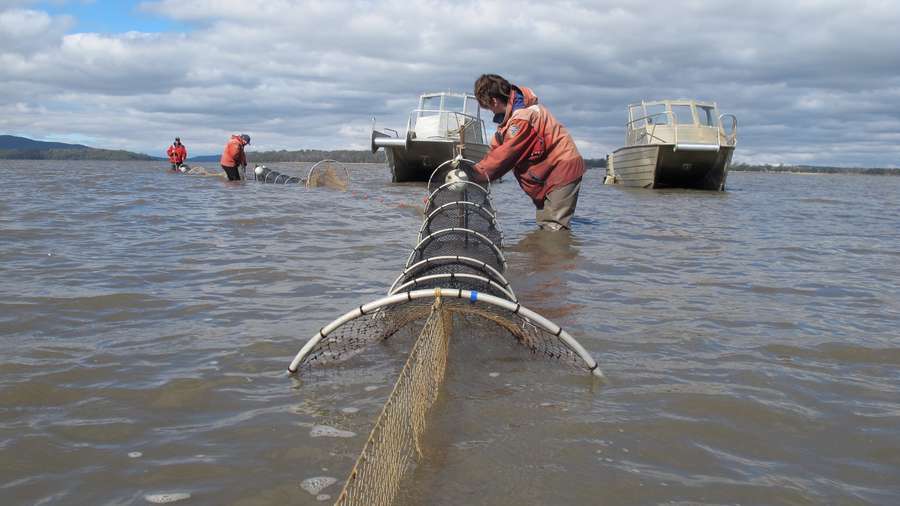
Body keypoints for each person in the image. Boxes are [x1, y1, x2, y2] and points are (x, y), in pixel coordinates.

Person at [469, 74, 585, 230]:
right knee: (545, 222)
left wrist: (475, 174)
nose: (490, 111)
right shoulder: (510, 120)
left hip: (561, 169)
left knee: (553, 227)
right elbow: (497, 150)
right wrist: (474, 169)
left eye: (488, 107)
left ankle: (556, 252)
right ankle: (543, 254)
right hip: (546, 173)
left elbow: (506, 154)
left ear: (494, 101)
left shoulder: (523, 117)